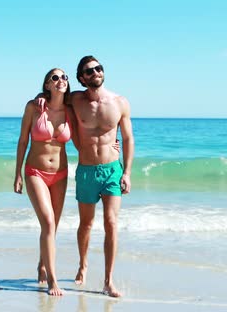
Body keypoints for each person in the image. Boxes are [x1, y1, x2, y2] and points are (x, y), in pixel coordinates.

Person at [70, 55, 134, 298]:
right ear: (81, 78)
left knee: (111, 222)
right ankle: (83, 265)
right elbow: (53, 95)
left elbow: (127, 139)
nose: (96, 72)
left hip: (111, 170)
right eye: (90, 70)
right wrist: (39, 101)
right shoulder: (74, 100)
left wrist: (127, 172)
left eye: (99, 68)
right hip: (86, 171)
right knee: (86, 224)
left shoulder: (120, 102)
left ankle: (108, 280)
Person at [14, 68, 74, 296]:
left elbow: (92, 131)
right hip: (35, 171)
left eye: (64, 77)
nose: (61, 80)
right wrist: (18, 173)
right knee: (48, 223)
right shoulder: (33, 106)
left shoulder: (71, 110)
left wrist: (114, 145)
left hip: (61, 173)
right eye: (55, 78)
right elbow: (22, 141)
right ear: (47, 85)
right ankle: (52, 280)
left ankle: (42, 264)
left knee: (53, 226)